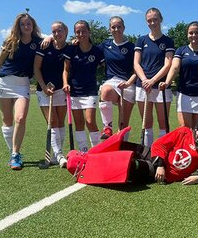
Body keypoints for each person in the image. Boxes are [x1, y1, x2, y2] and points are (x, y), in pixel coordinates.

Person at [67, 116, 198, 185]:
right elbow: (159, 145)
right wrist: (160, 163)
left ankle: (88, 167)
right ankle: (89, 155)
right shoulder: (183, 132)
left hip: (160, 173)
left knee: (129, 166)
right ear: (195, 130)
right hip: (158, 159)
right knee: (124, 145)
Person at [0, 13, 42, 170]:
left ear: (33, 26)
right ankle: (14, 153)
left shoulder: (39, 42)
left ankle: (15, 153)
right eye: (23, 24)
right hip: (4, 82)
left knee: (20, 118)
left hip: (23, 84)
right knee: (7, 120)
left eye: (29, 24)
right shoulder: (10, 41)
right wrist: (4, 77)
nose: (26, 27)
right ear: (18, 26)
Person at [159, 21, 198, 129]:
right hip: (184, 94)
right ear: (187, 34)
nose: (193, 35)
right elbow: (175, 67)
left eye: (197, 32)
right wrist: (167, 82)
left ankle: (195, 147)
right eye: (191, 33)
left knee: (197, 129)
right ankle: (185, 147)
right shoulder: (181, 50)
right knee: (184, 128)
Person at [133, 7, 174, 147]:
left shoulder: (168, 41)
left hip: (160, 86)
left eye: (155, 19)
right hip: (143, 86)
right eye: (149, 20)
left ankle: (161, 155)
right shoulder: (141, 40)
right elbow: (136, 63)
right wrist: (145, 80)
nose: (152, 23)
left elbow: (168, 64)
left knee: (163, 123)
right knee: (147, 122)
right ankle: (148, 153)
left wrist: (152, 81)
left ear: (160, 20)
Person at [63, 20, 104, 152]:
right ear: (75, 33)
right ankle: (84, 151)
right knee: (79, 123)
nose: (81, 34)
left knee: (90, 121)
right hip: (74, 91)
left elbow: (107, 68)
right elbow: (66, 70)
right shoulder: (71, 49)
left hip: (90, 90)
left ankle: (97, 150)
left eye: (84, 31)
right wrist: (65, 83)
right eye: (78, 32)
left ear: (89, 32)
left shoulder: (97, 51)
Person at [33, 21, 69, 168]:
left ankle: (56, 155)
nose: (56, 34)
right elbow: (36, 68)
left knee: (60, 122)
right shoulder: (45, 46)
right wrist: (43, 87)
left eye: (59, 30)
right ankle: (60, 155)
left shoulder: (70, 48)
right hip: (44, 90)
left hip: (61, 90)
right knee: (52, 121)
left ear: (65, 31)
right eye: (53, 31)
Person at [98, 16, 136, 140]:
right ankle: (107, 128)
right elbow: (88, 49)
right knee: (105, 90)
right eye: (113, 27)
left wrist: (128, 83)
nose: (116, 29)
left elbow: (137, 71)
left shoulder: (132, 47)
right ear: (109, 29)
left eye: (119, 26)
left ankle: (122, 149)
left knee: (123, 123)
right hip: (112, 81)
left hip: (128, 82)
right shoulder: (105, 45)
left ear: (124, 28)